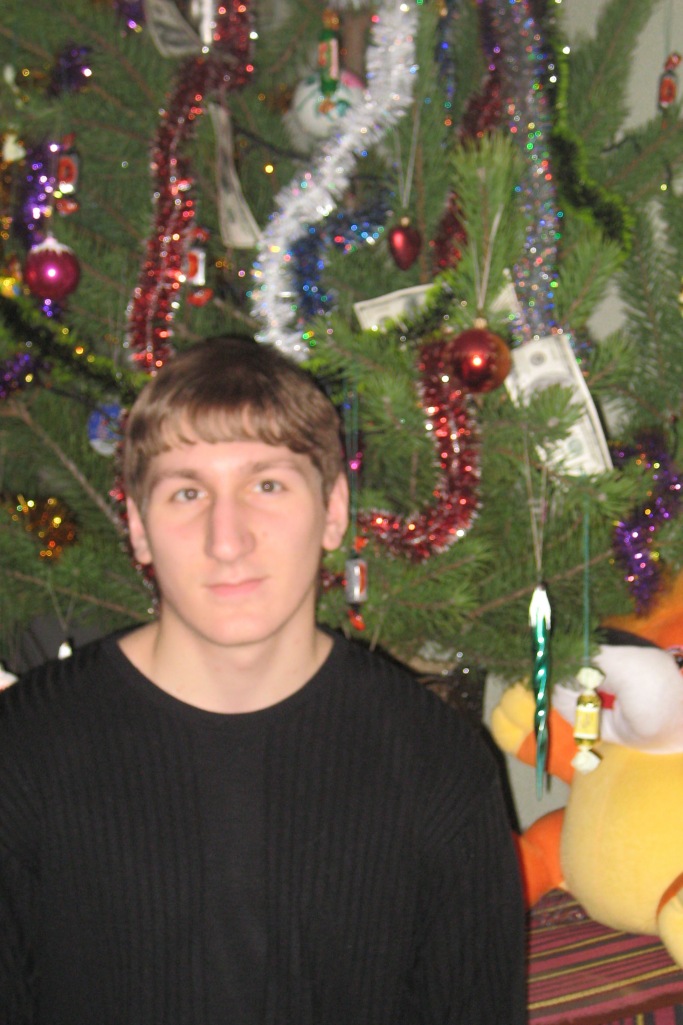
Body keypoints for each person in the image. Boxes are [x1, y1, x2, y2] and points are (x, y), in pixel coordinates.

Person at [0, 335, 526, 1024]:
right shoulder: (23, 752)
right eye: (187, 492)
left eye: (267, 484)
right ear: (138, 526)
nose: (227, 539)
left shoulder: (436, 764)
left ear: (332, 510)